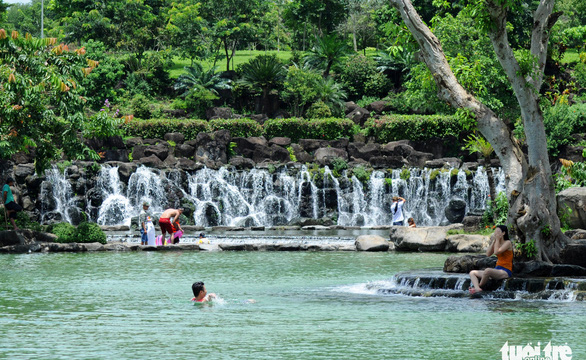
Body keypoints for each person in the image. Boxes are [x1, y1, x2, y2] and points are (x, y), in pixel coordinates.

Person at [469, 225, 513, 294]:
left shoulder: (508, 243)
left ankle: (478, 287)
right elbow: (488, 254)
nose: (496, 233)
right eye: (495, 232)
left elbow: (496, 252)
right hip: (497, 269)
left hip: (505, 271)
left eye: (498, 232)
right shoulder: (496, 242)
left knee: (487, 270)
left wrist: (497, 240)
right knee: (472, 273)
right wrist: (493, 242)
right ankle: (477, 288)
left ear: (503, 233)